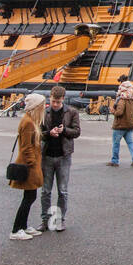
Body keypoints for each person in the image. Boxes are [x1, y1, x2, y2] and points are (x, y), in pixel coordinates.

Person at [39, 85, 80, 232]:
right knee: (45, 190)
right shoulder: (44, 113)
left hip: (64, 156)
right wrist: (49, 133)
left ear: (63, 99)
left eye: (58, 101)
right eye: (53, 101)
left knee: (62, 190)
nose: (55, 104)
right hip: (47, 155)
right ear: (50, 97)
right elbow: (39, 132)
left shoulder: (72, 112)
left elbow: (77, 132)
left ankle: (60, 220)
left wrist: (64, 131)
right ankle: (45, 220)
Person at [9, 93, 45, 241]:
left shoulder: (31, 121)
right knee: (29, 198)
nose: (44, 107)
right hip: (28, 165)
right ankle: (17, 229)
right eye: (42, 105)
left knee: (29, 197)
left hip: (30, 163)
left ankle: (23, 226)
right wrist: (32, 163)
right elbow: (26, 147)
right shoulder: (28, 123)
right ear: (36, 107)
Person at [109, 81, 133, 167]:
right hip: (130, 125)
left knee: (116, 143)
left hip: (120, 125)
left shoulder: (121, 100)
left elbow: (119, 112)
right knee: (130, 143)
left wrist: (113, 111)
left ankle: (115, 161)